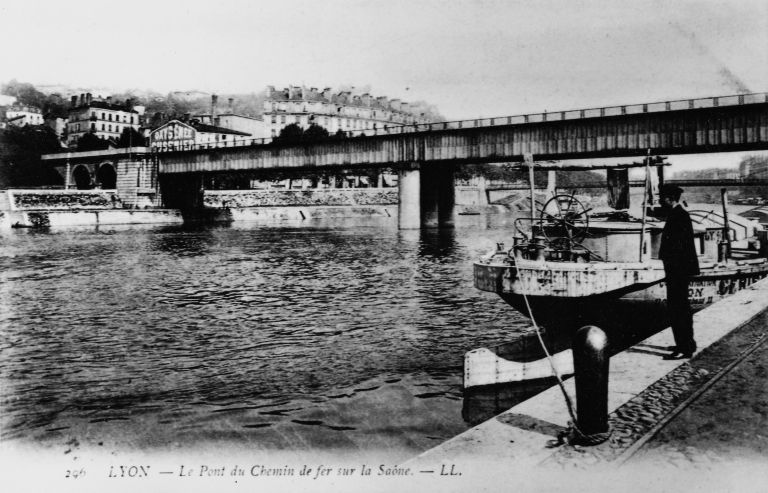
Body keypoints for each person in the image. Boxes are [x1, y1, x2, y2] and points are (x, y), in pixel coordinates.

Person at [658, 184, 700, 359]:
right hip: (678, 269)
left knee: (678, 308)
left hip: (677, 270)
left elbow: (679, 247)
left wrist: (669, 262)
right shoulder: (679, 214)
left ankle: (685, 348)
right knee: (679, 307)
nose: (661, 201)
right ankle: (685, 343)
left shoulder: (678, 216)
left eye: (663, 198)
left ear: (669, 199)